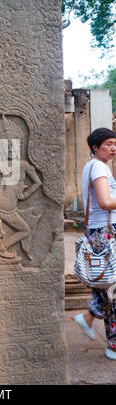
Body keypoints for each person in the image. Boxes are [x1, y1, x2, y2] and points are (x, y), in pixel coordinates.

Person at [74, 128, 116, 360]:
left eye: (115, 144)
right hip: (106, 233)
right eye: (108, 144)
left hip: (98, 231)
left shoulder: (92, 166)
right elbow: (105, 201)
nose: (113, 148)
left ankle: (90, 318)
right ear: (95, 147)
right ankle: (112, 344)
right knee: (112, 288)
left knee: (109, 286)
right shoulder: (99, 167)